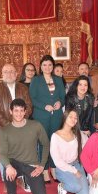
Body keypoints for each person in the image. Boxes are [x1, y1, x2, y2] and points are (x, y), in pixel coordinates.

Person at [0, 99, 49, 194]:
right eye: (16, 110)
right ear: (10, 111)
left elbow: (45, 144)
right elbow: (2, 153)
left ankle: (26, 179)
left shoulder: (36, 125)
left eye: (21, 110)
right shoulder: (5, 131)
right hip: (14, 163)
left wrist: (41, 165)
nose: (19, 113)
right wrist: (8, 166)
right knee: (8, 167)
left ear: (25, 111)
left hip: (31, 164)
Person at [0, 63, 33, 190]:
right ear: (2, 74)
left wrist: (20, 123)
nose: (9, 74)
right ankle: (7, 180)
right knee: (5, 153)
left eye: (12, 71)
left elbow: (29, 106)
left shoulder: (23, 88)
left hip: (21, 126)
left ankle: (19, 178)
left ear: (16, 74)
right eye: (6, 72)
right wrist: (9, 126)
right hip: (3, 127)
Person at [30, 55, 66, 183]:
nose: (47, 67)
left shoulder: (58, 79)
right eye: (44, 65)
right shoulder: (36, 80)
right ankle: (45, 170)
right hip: (41, 116)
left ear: (53, 66)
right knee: (44, 143)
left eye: (50, 65)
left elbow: (62, 97)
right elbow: (32, 99)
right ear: (40, 66)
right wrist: (44, 106)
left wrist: (59, 103)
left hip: (56, 116)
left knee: (55, 144)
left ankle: (54, 169)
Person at [50, 109, 89, 194]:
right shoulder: (55, 136)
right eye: (70, 117)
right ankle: (62, 186)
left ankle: (74, 181)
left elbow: (88, 146)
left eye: (76, 118)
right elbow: (57, 161)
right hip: (62, 167)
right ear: (65, 117)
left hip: (76, 164)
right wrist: (74, 171)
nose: (73, 119)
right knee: (75, 187)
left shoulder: (78, 133)